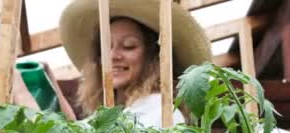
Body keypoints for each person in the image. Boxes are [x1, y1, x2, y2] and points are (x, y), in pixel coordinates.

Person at [59, 0, 213, 126]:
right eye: (106, 47)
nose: (113, 56)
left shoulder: (159, 110)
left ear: (153, 57)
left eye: (128, 46)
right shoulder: (117, 114)